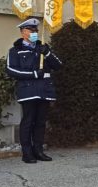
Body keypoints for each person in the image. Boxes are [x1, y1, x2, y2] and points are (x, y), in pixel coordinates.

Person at [5, 18, 63, 163]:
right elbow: (11, 70)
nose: (34, 33)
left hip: (44, 90)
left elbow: (58, 65)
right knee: (28, 121)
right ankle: (27, 153)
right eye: (31, 31)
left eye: (36, 31)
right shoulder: (15, 50)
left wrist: (47, 53)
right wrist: (34, 74)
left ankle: (38, 150)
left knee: (40, 122)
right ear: (23, 32)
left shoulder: (42, 47)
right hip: (28, 91)